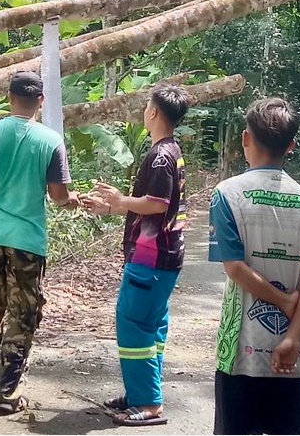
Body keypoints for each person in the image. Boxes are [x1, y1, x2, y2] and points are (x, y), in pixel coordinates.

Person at [0, 70, 80, 415]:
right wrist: (71, 199)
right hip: (27, 240)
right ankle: (7, 387)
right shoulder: (51, 140)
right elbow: (58, 196)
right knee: (22, 314)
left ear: (9, 97)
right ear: (40, 101)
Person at [207, 97, 300, 435]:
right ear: (291, 145)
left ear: (246, 138)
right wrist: (291, 337)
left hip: (240, 352)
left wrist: (282, 301)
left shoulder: (227, 195)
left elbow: (234, 267)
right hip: (293, 355)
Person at [83, 83, 190, 427]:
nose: (145, 111)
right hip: (163, 254)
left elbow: (156, 205)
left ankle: (148, 404)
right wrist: (112, 208)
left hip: (151, 258)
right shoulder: (172, 150)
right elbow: (156, 208)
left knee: (133, 324)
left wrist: (120, 200)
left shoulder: (160, 156)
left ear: (155, 112)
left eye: (147, 106)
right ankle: (142, 390)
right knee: (151, 326)